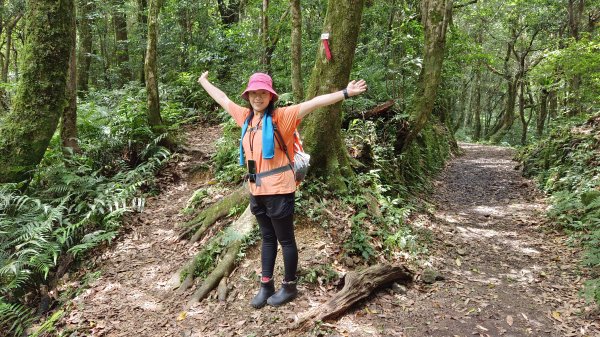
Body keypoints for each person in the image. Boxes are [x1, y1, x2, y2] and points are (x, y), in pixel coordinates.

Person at [198, 71, 367, 308]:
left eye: (262, 93)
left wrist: (346, 92)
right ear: (248, 96)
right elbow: (223, 99)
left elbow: (314, 103)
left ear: (270, 95)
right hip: (256, 190)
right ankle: (266, 284)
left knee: (285, 239)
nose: (258, 97)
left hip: (279, 189)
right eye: (254, 93)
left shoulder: (282, 117)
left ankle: (289, 286)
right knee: (267, 237)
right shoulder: (246, 118)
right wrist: (204, 81)